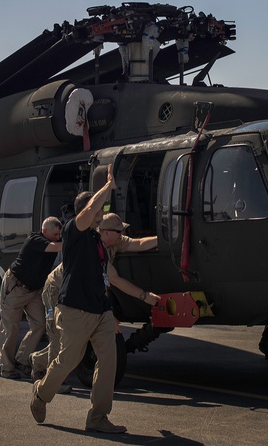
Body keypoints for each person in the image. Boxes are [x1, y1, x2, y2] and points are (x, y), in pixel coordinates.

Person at [30, 166, 160, 434]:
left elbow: (104, 279)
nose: (101, 215)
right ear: (87, 211)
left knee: (109, 361)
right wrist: (107, 186)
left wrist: (109, 313)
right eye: (98, 211)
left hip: (100, 309)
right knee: (68, 360)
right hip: (75, 309)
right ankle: (41, 393)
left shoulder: (99, 242)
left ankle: (98, 417)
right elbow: (89, 212)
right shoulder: (73, 232)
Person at [29, 211, 158, 380]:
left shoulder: (114, 241)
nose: (123, 234)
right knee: (59, 336)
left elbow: (139, 243)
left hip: (81, 291)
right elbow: (112, 281)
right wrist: (144, 296)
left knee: (74, 339)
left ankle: (38, 360)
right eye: (119, 231)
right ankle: (52, 381)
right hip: (57, 289)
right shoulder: (91, 248)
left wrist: (165, 238)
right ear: (105, 233)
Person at [0, 216, 62, 379]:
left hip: (33, 290)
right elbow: (54, 247)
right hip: (16, 287)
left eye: (59, 234)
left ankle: (22, 360)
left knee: (40, 325)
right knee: (10, 328)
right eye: (55, 234)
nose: (58, 237)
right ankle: (7, 368)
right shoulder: (35, 239)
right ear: (44, 231)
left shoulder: (52, 242)